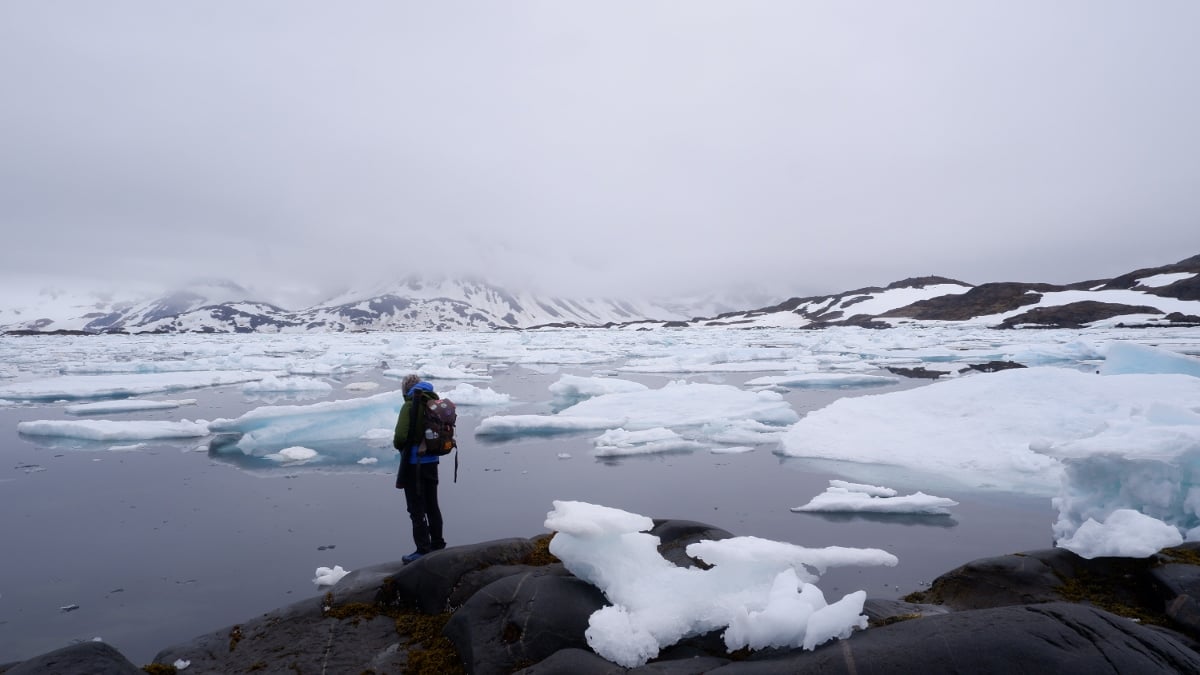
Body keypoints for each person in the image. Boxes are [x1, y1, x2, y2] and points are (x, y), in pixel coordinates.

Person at [393, 373, 446, 563]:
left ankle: (422, 550)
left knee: (416, 509)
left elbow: (400, 437)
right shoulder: (433, 402)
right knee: (432, 505)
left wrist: (403, 447)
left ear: (405, 390)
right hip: (432, 462)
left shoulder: (410, 405)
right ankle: (438, 544)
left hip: (413, 464)